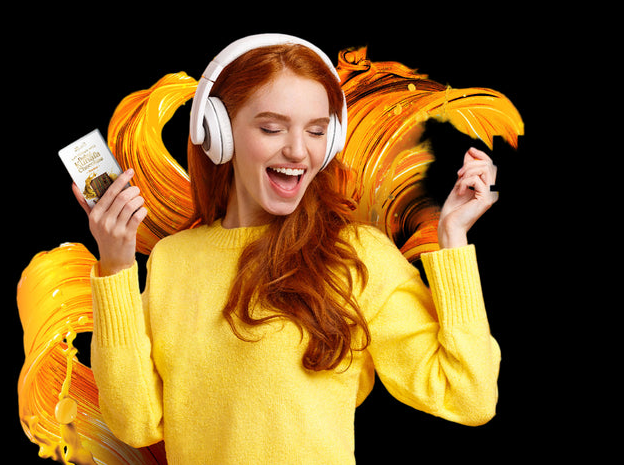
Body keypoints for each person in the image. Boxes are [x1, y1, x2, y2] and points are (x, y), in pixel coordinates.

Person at [73, 34, 501, 464]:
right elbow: (135, 423)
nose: (298, 150)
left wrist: (452, 240)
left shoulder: (357, 256)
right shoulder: (172, 260)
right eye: (272, 128)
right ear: (218, 132)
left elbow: (468, 396)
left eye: (316, 130)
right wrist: (115, 266)